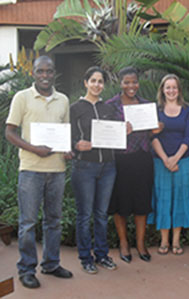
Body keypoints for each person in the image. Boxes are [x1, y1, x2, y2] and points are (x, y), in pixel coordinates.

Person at [5, 56, 72, 288]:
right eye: (40, 71)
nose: (45, 75)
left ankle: (51, 263)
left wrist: (67, 150)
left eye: (49, 71)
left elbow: (64, 133)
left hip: (57, 170)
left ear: (55, 73)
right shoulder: (22, 98)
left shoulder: (63, 100)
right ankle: (26, 269)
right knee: (28, 223)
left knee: (54, 220)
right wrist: (34, 148)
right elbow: (10, 132)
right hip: (31, 170)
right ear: (33, 73)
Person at [70, 66, 118, 274]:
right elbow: (67, 136)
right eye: (94, 81)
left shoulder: (108, 109)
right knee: (85, 214)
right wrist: (75, 145)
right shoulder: (75, 108)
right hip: (84, 167)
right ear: (85, 83)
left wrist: (125, 130)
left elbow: (116, 135)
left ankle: (102, 254)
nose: (97, 85)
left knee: (101, 214)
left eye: (100, 81)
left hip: (108, 167)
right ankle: (85, 257)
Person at [107, 67, 156, 263]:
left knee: (141, 203)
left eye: (134, 82)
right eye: (127, 82)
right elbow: (106, 134)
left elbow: (150, 133)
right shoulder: (111, 105)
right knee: (121, 204)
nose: (131, 86)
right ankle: (124, 243)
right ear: (120, 83)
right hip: (120, 160)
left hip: (142, 159)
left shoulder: (146, 105)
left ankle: (141, 244)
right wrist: (121, 131)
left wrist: (156, 129)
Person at [148, 74, 189, 256]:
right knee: (163, 199)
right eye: (168, 87)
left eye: (174, 87)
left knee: (181, 199)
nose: (171, 91)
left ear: (179, 90)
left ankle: (176, 240)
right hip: (160, 162)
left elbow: (188, 136)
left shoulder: (188, 110)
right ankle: (164, 240)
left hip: (183, 161)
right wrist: (166, 159)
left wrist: (175, 158)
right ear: (162, 90)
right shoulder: (155, 111)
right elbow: (152, 137)